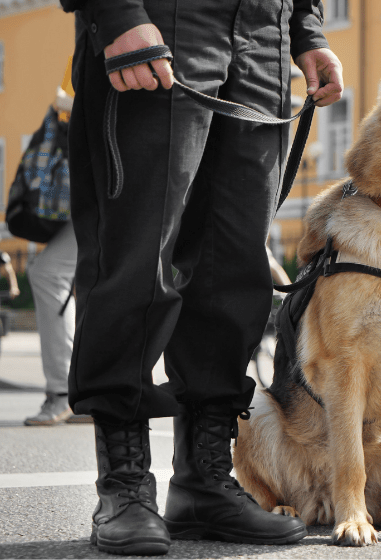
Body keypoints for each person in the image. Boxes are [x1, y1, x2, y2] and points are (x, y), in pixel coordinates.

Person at [59, 0, 343, 555]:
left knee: (233, 265)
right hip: (161, 20)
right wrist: (114, 13)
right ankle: (124, 484)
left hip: (263, 31)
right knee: (137, 259)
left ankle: (202, 481)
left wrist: (305, 28)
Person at [23, 88, 87, 427]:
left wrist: (66, 104)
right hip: (104, 185)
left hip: (114, 185)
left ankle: (66, 392)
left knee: (48, 273)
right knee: (100, 283)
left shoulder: (115, 35)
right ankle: (89, 394)